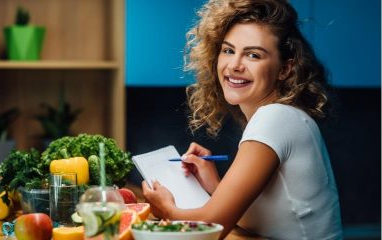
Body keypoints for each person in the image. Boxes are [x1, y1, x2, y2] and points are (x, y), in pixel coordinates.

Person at [141, 0, 343, 239]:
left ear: (285, 69)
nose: (234, 65)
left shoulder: (275, 118)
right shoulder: (286, 116)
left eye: (253, 55)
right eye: (228, 50)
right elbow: (258, 220)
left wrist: (167, 210)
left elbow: (210, 229)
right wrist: (215, 185)